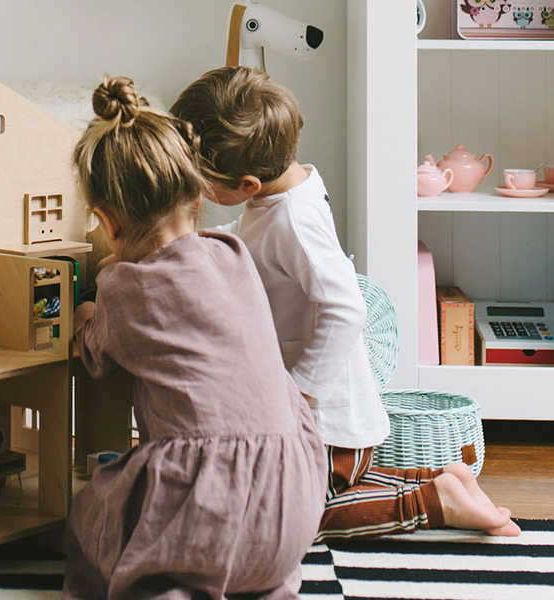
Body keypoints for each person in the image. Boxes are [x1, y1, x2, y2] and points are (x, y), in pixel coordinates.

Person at [170, 66, 520, 540]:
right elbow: (253, 238)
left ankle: (432, 502)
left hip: (326, 422)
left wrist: (301, 391)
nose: (197, 190)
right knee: (322, 491)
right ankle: (440, 480)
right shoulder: (287, 191)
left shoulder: (294, 220)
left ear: (249, 185)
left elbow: (346, 307)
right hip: (323, 426)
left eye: (202, 182)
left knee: (291, 517)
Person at [64, 75, 327, 600]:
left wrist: (86, 309)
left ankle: (176, 587)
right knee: (234, 542)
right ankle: (258, 584)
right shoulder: (233, 257)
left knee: (91, 515)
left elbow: (92, 355)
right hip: (293, 504)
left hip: (212, 514)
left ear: (106, 221)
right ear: (195, 192)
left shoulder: (126, 286)